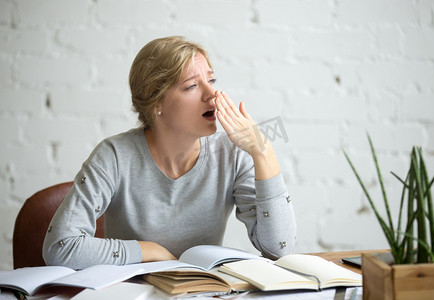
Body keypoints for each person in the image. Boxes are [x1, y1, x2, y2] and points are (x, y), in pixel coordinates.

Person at [42, 36, 296, 269]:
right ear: (157, 104)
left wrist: (263, 153)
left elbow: (279, 249)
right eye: (191, 86)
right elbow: (59, 246)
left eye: (211, 80)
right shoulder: (114, 156)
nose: (212, 95)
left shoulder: (232, 154)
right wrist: (147, 251)